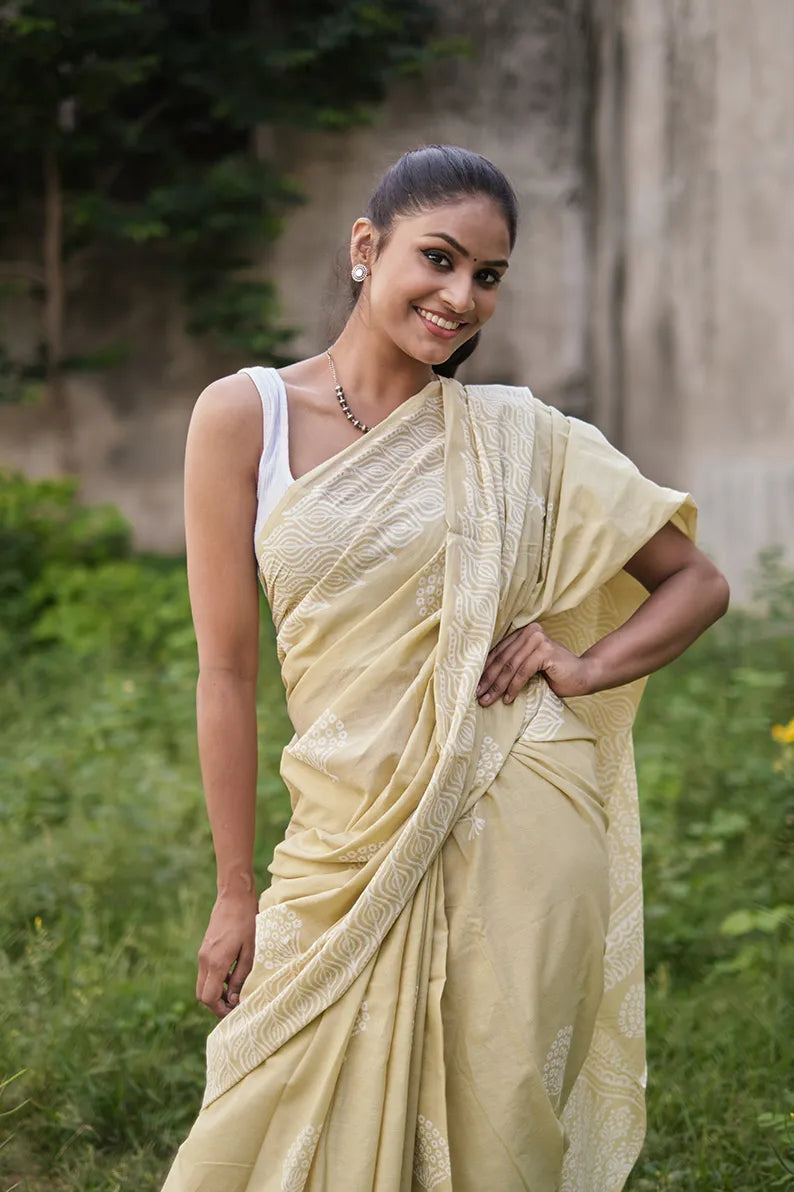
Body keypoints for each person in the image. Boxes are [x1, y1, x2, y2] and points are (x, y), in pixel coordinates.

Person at [160, 145, 729, 1192]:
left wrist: (583, 661)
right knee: (254, 1116)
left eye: (489, 276)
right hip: (339, 832)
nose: (461, 296)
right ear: (365, 250)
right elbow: (225, 673)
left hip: (519, 811)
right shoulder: (245, 414)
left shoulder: (519, 437)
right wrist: (233, 892)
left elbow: (694, 582)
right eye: (439, 258)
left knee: (493, 1131)